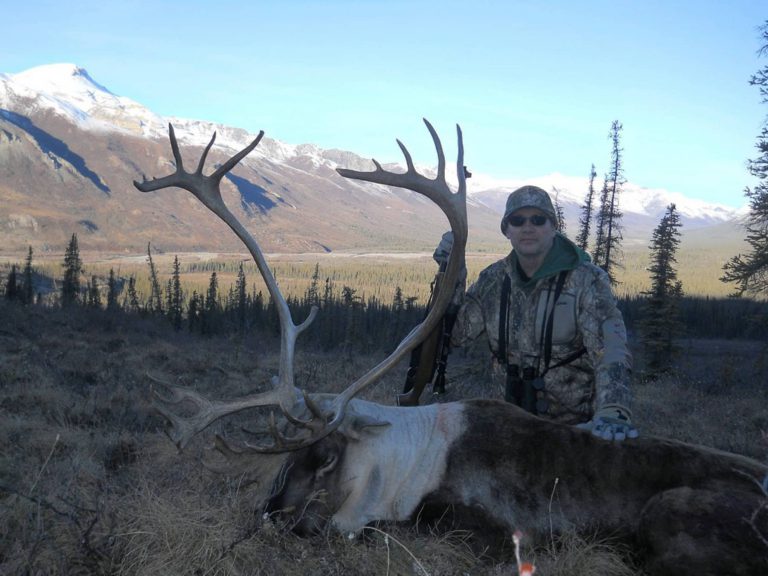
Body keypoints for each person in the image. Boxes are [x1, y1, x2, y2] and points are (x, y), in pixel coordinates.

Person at [436, 185, 637, 441]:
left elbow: (610, 349)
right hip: (507, 430)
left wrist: (614, 409)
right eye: (518, 220)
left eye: (538, 219)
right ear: (507, 230)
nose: (527, 227)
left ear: (553, 226)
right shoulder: (493, 281)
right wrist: (452, 270)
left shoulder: (587, 281)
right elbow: (454, 334)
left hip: (573, 433)